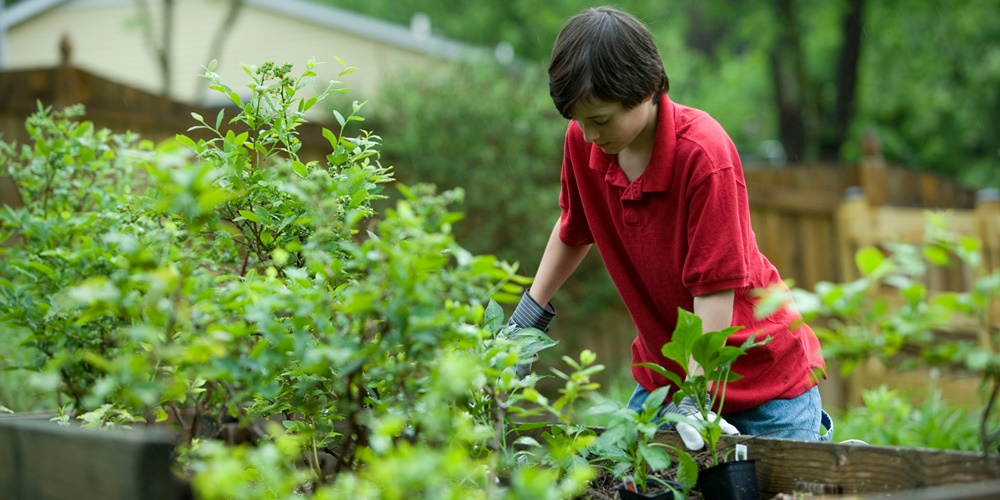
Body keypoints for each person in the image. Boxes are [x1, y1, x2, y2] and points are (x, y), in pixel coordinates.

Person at [506, 6, 831, 450]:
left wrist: (698, 398)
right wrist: (524, 324)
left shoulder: (703, 153)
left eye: (600, 119)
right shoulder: (584, 143)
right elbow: (572, 228)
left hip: (763, 383)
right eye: (577, 120)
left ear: (646, 89)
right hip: (669, 381)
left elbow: (714, 290)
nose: (588, 133)